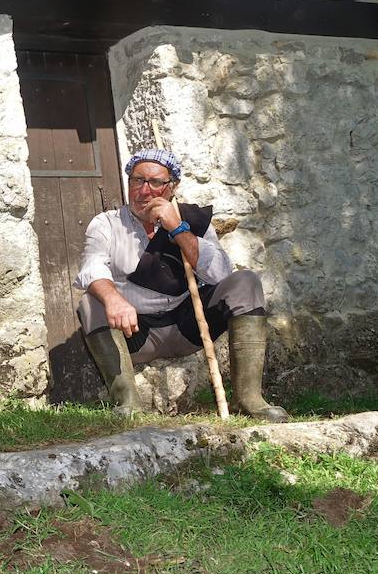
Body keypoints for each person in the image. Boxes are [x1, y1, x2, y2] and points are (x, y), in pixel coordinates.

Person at [73, 148, 287, 422]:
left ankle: (249, 400)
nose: (144, 191)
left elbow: (220, 273)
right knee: (92, 302)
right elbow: (92, 267)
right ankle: (127, 405)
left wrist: (178, 229)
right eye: (137, 180)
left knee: (245, 282)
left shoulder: (192, 221)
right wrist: (113, 298)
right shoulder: (106, 223)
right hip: (136, 333)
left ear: (172, 187)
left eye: (155, 183)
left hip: (190, 327)